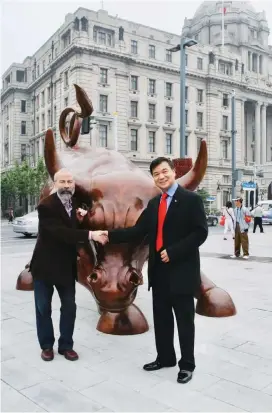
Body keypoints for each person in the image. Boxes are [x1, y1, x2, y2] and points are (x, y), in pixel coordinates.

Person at [99, 157, 208, 384]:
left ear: (173, 172)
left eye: (164, 171)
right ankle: (165, 357)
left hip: (182, 272)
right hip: (159, 274)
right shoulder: (155, 204)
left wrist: (175, 251)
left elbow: (200, 233)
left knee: (184, 321)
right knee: (162, 319)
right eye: (157, 174)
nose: (161, 176)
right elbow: (137, 231)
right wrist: (107, 235)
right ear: (154, 178)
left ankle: (187, 364)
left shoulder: (191, 200)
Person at [29, 168, 106, 362]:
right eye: (62, 182)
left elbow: (71, 227)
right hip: (45, 267)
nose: (66, 185)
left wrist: (81, 217)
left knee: (69, 307)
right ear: (55, 184)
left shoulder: (75, 203)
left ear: (73, 184)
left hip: (66, 266)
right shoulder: (46, 206)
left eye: (69, 182)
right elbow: (60, 232)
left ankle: (66, 346)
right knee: (43, 308)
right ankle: (47, 346)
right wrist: (91, 234)